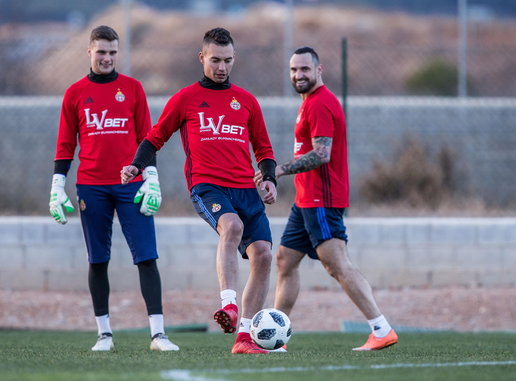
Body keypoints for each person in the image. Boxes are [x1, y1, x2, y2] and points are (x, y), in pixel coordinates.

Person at [120, 27, 278, 354]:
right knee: (231, 226)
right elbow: (155, 137)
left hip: (245, 190)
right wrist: (136, 164)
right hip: (207, 186)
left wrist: (269, 179)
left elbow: (263, 148)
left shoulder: (246, 101)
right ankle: (229, 304)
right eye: (216, 60)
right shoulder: (186, 98)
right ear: (202, 57)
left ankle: (245, 337)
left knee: (263, 254)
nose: (222, 67)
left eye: (228, 61)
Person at [255, 46, 398, 351]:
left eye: (305, 69)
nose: (298, 75)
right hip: (305, 200)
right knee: (285, 261)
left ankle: (381, 328)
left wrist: (278, 170)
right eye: (294, 70)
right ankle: (278, 339)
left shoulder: (320, 103)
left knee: (337, 265)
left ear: (319, 71)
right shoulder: (308, 103)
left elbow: (322, 155)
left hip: (322, 199)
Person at [49, 25, 179, 352]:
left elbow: (146, 138)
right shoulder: (75, 93)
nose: (107, 58)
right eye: (101, 52)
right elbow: (65, 145)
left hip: (130, 185)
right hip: (91, 186)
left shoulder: (133, 89)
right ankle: (104, 334)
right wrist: (57, 186)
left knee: (147, 257)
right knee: (97, 260)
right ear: (89, 52)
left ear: (117, 53)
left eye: (112, 52)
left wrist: (152, 179)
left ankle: (158, 335)